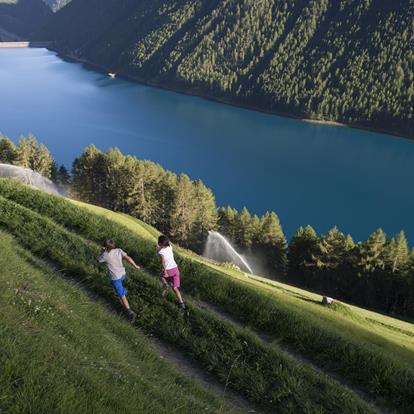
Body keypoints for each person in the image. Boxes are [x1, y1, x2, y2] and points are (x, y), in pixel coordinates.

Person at [97, 238, 141, 323]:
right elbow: (128, 258)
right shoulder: (119, 250)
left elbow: (98, 260)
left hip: (115, 278)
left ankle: (130, 312)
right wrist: (135, 265)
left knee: (121, 294)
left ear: (105, 247)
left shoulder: (105, 255)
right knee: (116, 286)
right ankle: (123, 292)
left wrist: (101, 251)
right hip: (122, 274)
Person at [157, 235, 185, 309]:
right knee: (175, 288)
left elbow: (162, 262)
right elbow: (163, 247)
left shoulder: (161, 252)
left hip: (169, 270)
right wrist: (159, 246)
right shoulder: (170, 247)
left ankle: (165, 285)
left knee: (160, 276)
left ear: (159, 243)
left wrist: (165, 271)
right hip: (176, 269)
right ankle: (181, 303)